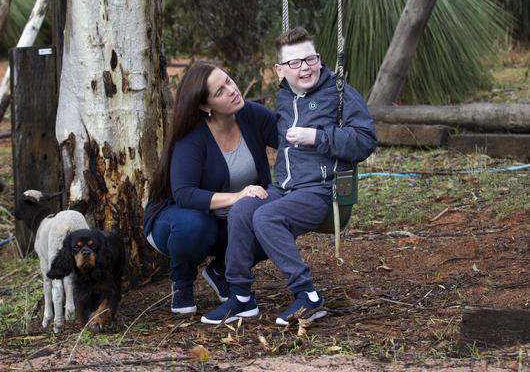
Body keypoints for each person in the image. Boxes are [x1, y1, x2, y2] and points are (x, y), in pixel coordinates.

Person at [201, 26, 377, 325]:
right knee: (243, 209)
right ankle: (241, 297)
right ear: (280, 70)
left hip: (321, 190)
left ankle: (307, 295)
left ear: (319, 59)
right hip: (283, 188)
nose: (305, 67)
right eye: (295, 63)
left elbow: (365, 140)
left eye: (310, 59)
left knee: (266, 217)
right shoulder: (284, 97)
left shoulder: (338, 92)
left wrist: (318, 137)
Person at [143, 61, 278, 314]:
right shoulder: (191, 138)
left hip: (226, 223)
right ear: (205, 106)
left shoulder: (251, 115)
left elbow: (289, 138)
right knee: (196, 225)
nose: (231, 89)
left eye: (228, 80)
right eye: (220, 91)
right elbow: (185, 194)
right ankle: (182, 282)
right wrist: (238, 196)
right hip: (176, 221)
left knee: (273, 217)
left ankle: (222, 270)